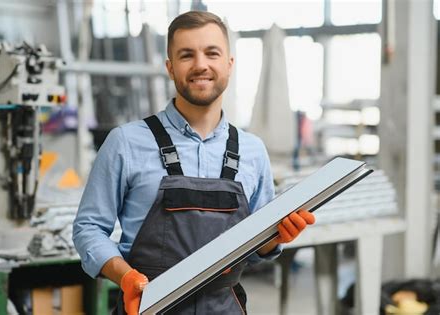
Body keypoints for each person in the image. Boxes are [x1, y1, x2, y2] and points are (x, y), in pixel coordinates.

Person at [73, 11, 315, 315]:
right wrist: (125, 276)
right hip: (147, 307)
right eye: (187, 55)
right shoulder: (125, 143)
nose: (201, 65)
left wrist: (274, 239)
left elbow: (254, 251)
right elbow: (89, 228)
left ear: (229, 63)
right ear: (170, 68)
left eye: (212, 53)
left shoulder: (253, 151)